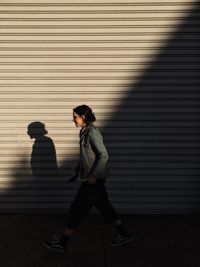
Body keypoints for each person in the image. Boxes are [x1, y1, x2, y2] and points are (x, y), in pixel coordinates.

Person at [43, 105, 132, 253]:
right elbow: (87, 154)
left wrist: (93, 175)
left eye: (75, 116)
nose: (73, 119)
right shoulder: (84, 131)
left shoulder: (92, 132)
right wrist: (79, 167)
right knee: (105, 208)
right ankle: (125, 234)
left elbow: (103, 155)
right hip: (92, 179)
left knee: (77, 209)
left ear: (83, 117)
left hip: (93, 180)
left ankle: (62, 242)